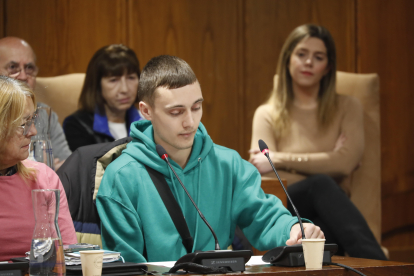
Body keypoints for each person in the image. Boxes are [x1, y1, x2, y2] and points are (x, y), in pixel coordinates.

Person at [96, 55, 324, 263]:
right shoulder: (121, 177)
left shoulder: (228, 164)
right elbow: (126, 264)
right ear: (146, 111)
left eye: (196, 107)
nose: (190, 122)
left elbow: (264, 217)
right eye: (176, 112)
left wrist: (294, 229)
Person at [249, 24, 386, 260]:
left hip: (328, 211)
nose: (309, 62)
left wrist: (280, 158)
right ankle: (381, 267)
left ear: (328, 67)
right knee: (321, 184)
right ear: (288, 59)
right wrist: (328, 160)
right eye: (301, 54)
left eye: (318, 57)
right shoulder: (267, 113)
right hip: (286, 206)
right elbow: (270, 180)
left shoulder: (348, 107)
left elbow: (345, 162)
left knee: (324, 228)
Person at [0, 76, 77, 261]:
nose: (33, 132)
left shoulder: (44, 178)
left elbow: (68, 255)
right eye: (24, 124)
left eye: (32, 120)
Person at [0, 37, 72, 170]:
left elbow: (67, 166)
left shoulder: (44, 113)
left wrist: (45, 173)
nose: (22, 76)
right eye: (13, 67)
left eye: (29, 68)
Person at [63, 44, 142, 152]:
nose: (125, 89)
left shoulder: (147, 120)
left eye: (131, 78)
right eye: (114, 80)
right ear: (97, 85)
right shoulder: (77, 125)